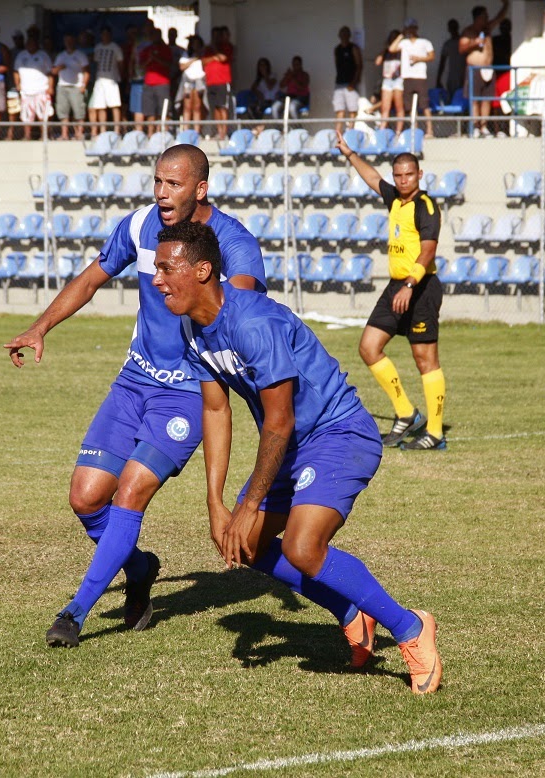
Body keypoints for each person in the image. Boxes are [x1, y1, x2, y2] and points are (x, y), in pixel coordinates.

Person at [154, 220, 443, 695]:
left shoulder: (252, 323)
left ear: (202, 270)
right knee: (244, 544)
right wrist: (216, 502)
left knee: (302, 548)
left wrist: (249, 503)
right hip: (290, 444)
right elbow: (214, 407)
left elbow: (280, 420)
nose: (157, 279)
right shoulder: (191, 328)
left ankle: (410, 628)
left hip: (338, 432)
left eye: (168, 268)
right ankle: (352, 612)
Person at [2, 145, 267, 650]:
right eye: (158, 182)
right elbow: (93, 276)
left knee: (129, 494)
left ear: (201, 189)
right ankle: (141, 567)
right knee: (85, 497)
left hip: (189, 391)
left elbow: (240, 304)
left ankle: (75, 612)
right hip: (134, 382)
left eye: (175, 185)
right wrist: (41, 327)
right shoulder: (140, 226)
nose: (163, 194)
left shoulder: (233, 242)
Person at [335, 131, 447, 451]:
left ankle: (435, 433)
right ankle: (406, 413)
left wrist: (410, 285)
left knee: (425, 359)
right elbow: (372, 178)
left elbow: (428, 251)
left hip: (420, 286)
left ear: (419, 175)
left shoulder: (425, 206)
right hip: (397, 286)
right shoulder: (395, 198)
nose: (402, 180)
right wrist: (349, 153)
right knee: (369, 347)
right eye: (398, 175)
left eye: (408, 174)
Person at [459, 1, 509, 136]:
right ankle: (475, 126)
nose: (487, 18)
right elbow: (461, 48)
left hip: (488, 69)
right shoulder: (468, 32)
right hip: (474, 69)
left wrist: (506, 4)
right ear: (477, 17)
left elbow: (499, 17)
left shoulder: (487, 29)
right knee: (475, 99)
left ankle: (484, 126)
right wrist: (474, 43)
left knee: (487, 99)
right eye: (484, 16)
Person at [390, 19, 434, 137]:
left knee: (424, 105)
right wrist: (401, 34)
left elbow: (432, 56)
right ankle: (415, 130)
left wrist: (418, 59)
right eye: (409, 28)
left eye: (413, 27)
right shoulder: (404, 43)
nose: (411, 30)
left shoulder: (424, 42)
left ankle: (430, 130)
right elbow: (392, 49)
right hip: (407, 77)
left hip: (420, 77)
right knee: (409, 107)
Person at [14, 28, 54, 140]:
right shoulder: (21, 55)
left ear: (36, 44)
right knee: (26, 115)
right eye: (28, 43)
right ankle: (27, 136)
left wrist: (50, 87)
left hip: (41, 89)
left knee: (43, 114)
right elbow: (16, 71)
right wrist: (17, 83)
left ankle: (44, 136)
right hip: (26, 90)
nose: (30, 45)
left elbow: (50, 72)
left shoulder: (43, 55)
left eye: (32, 43)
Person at [52, 33, 89, 141]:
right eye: (66, 41)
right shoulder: (61, 56)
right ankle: (64, 134)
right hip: (62, 86)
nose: (68, 43)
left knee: (79, 112)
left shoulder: (80, 55)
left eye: (70, 40)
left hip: (76, 86)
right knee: (63, 112)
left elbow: (86, 71)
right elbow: (53, 71)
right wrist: (59, 67)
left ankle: (79, 134)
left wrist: (83, 85)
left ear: (74, 41)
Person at [88, 26, 124, 135]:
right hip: (100, 80)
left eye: (107, 34)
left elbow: (120, 63)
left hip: (111, 80)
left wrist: (120, 76)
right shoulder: (98, 47)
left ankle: (117, 130)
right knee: (100, 105)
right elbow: (95, 62)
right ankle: (102, 130)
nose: (105, 36)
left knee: (115, 105)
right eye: (103, 34)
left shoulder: (115, 47)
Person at [139, 26, 173, 133]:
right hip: (148, 84)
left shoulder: (166, 49)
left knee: (163, 110)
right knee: (150, 111)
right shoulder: (146, 50)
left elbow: (169, 64)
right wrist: (150, 59)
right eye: (153, 35)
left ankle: (163, 133)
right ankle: (151, 134)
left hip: (162, 84)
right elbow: (140, 67)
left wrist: (156, 58)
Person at [202, 26, 233, 140]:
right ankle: (218, 131)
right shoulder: (208, 49)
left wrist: (215, 51)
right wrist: (214, 57)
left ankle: (223, 133)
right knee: (214, 108)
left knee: (222, 107)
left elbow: (222, 58)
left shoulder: (227, 46)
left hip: (222, 82)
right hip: (211, 82)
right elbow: (204, 61)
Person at [333, 26, 362, 133]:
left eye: (346, 34)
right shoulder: (337, 49)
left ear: (349, 36)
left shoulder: (353, 48)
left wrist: (354, 82)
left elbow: (359, 65)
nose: (343, 36)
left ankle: (351, 131)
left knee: (352, 109)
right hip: (339, 83)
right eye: (342, 34)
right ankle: (338, 133)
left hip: (351, 83)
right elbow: (337, 64)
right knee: (339, 109)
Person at [177, 34, 206, 134]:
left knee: (197, 107)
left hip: (199, 82)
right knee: (187, 107)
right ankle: (186, 131)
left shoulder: (203, 54)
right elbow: (182, 67)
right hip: (188, 83)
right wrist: (194, 59)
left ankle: (196, 131)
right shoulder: (186, 54)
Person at [375, 30, 403, 132]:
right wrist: (384, 50)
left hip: (398, 79)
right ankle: (382, 129)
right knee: (385, 107)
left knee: (398, 107)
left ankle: (398, 131)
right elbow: (378, 62)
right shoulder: (386, 52)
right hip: (387, 80)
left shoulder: (401, 49)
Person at [436, 18, 465, 103]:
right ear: (448, 29)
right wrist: (438, 79)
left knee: (464, 98)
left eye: (454, 26)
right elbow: (442, 62)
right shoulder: (447, 44)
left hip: (464, 75)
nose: (453, 29)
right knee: (452, 99)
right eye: (451, 27)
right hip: (452, 77)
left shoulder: (463, 42)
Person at [277, 55, 310, 120]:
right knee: (275, 107)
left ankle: (298, 128)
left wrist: (293, 78)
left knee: (292, 107)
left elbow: (302, 87)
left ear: (301, 65)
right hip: (289, 97)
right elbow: (281, 85)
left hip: (301, 98)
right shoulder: (290, 74)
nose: (295, 66)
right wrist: (287, 77)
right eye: (294, 64)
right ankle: (278, 129)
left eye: (297, 64)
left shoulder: (305, 75)